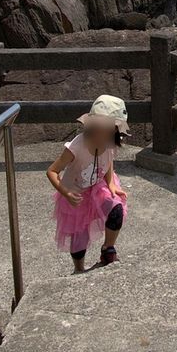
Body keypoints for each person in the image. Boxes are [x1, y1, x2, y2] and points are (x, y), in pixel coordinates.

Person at [47, 95, 130, 273]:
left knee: (116, 210)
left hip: (98, 186)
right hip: (75, 195)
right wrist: (66, 193)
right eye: (102, 128)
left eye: (111, 129)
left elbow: (108, 161)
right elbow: (52, 171)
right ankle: (79, 269)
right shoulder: (76, 147)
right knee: (79, 239)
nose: (106, 133)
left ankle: (108, 249)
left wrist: (111, 183)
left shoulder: (110, 141)